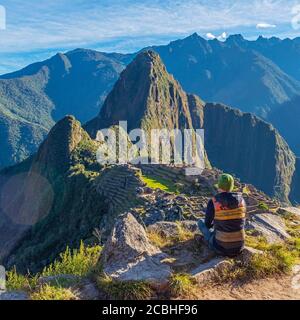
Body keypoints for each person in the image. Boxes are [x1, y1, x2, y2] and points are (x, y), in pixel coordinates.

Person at [198, 173, 246, 257]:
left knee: (201, 222)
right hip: (239, 246)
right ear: (231, 186)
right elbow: (242, 221)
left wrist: (215, 224)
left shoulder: (214, 201)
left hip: (220, 247)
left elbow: (207, 224)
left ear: (219, 186)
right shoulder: (241, 200)